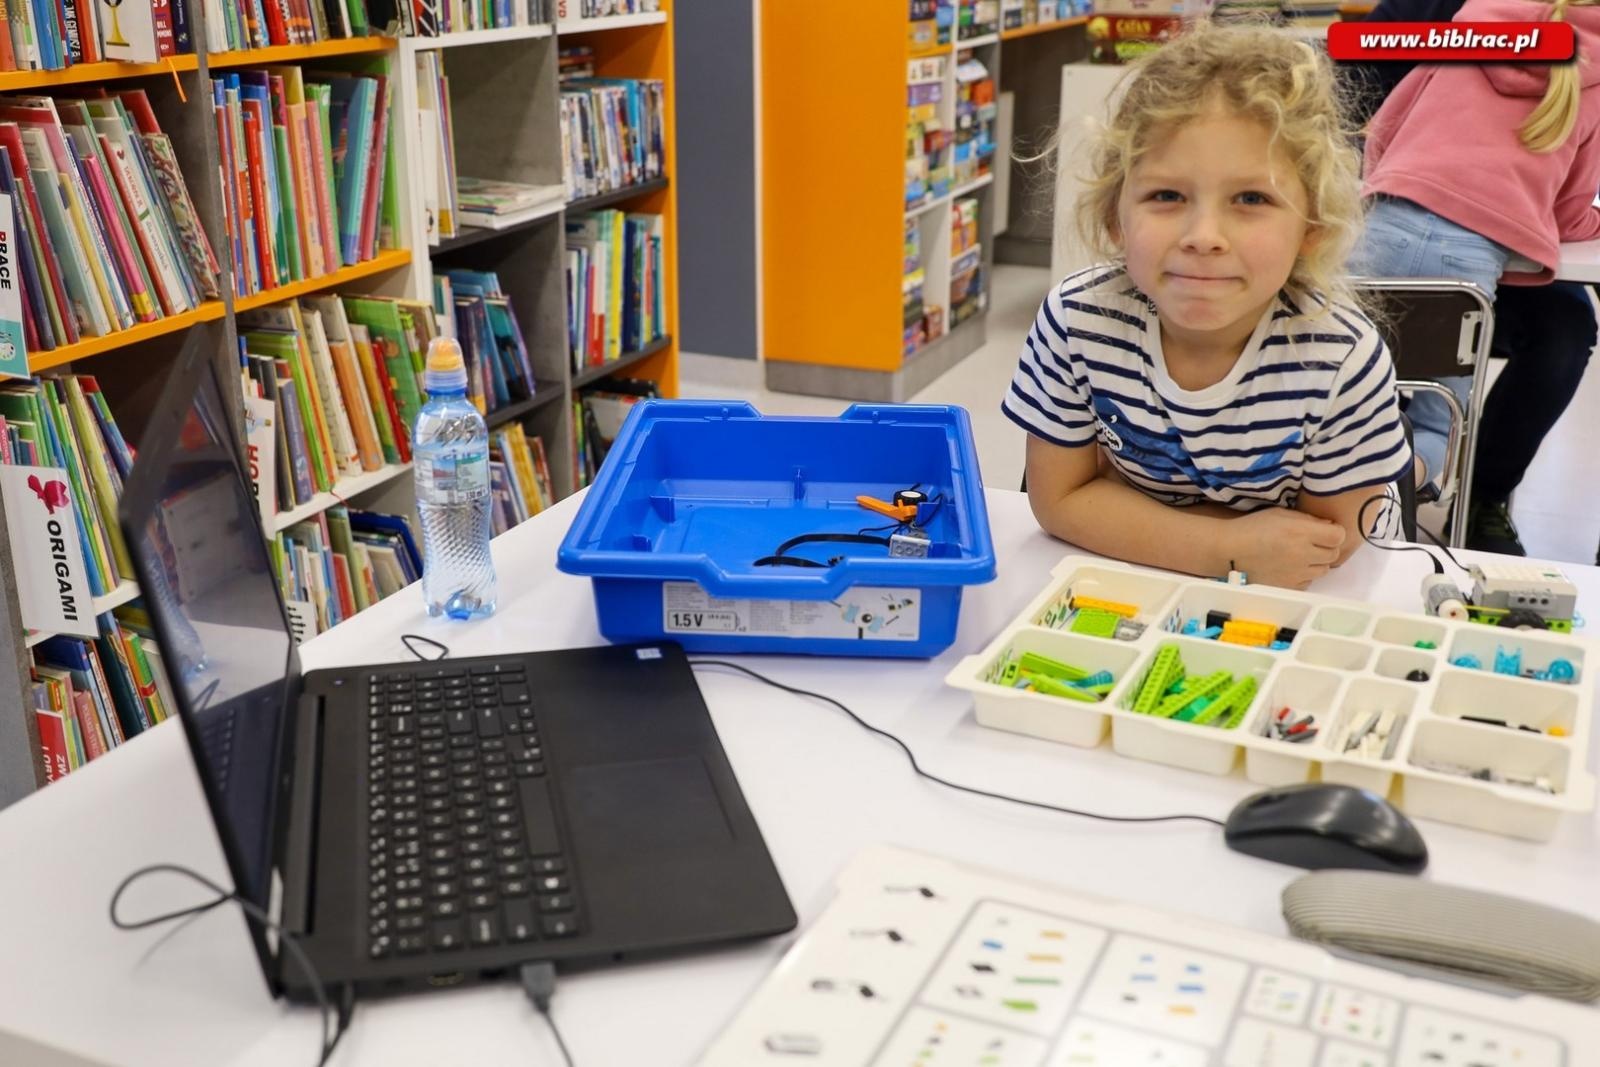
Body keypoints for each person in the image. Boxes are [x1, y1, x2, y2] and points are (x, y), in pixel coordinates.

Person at [1005, 23, 1411, 590]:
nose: (1204, 235)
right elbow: (1058, 502)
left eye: (1251, 198)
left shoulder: (1341, 357)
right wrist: (1223, 548)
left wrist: (1119, 511)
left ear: (1312, 226)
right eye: (1166, 196)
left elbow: (1319, 549)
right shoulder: (1078, 320)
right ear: (1112, 218)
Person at [1348, 0, 1600, 554]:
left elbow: (1383, 125)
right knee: (1442, 420)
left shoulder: (1467, 31)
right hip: (1472, 270)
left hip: (1375, 234)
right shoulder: (1592, 79)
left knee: (1344, 378)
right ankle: (1421, 491)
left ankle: (1344, 484)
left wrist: (1385, 186)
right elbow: (1573, 208)